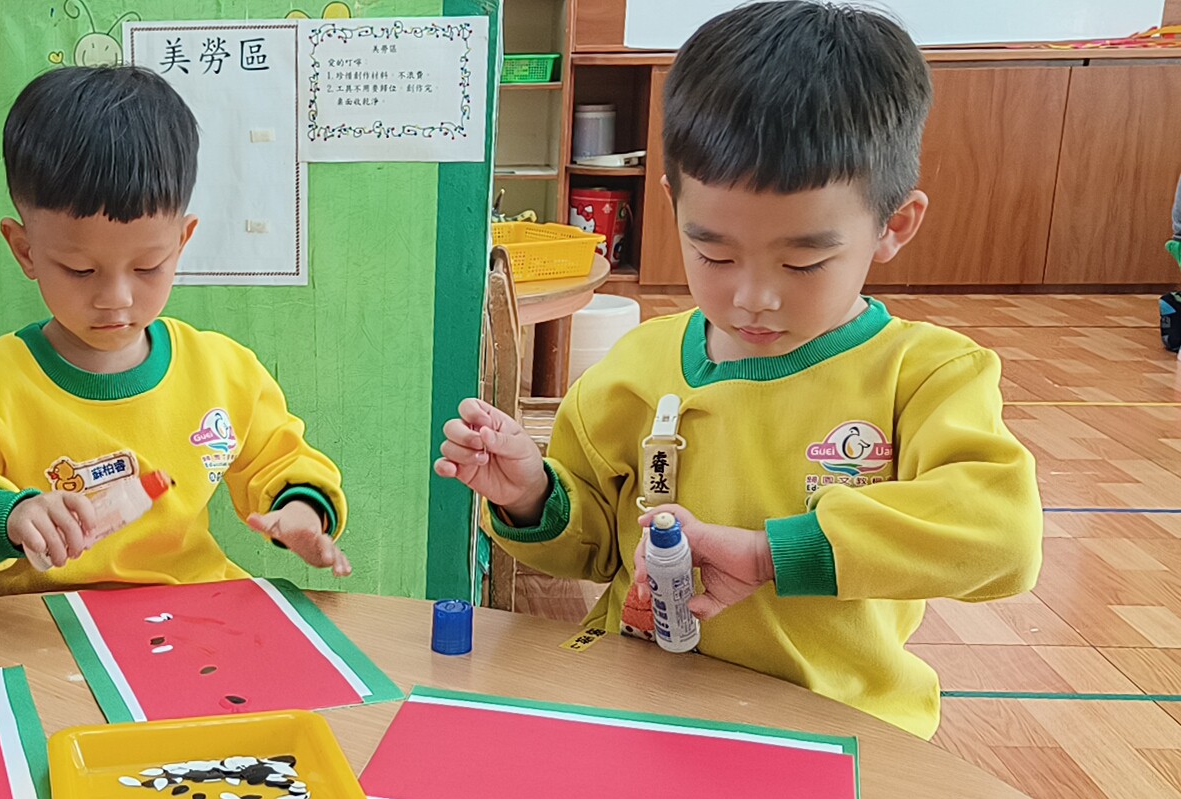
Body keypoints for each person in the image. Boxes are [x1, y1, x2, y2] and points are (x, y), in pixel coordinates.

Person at [436, 1, 1041, 738]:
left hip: (836, 726)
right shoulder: (639, 368)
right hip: (641, 703)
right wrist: (533, 495)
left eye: (804, 262)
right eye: (714, 254)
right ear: (672, 206)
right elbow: (591, 548)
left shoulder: (925, 373)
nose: (754, 297)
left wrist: (772, 554)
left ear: (894, 226)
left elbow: (1001, 537)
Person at [0, 65, 349, 596]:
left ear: (182, 243)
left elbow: (282, 459)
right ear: (25, 250)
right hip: (48, 624)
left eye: (147, 267)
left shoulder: (222, 373)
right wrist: (5, 516)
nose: (115, 297)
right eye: (80, 269)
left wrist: (300, 511)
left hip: (192, 613)